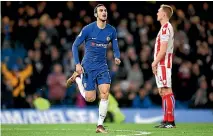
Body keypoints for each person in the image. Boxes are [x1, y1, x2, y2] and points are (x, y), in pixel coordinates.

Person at [66, 4, 121, 133]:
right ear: (96, 14)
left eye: (105, 10)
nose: (104, 12)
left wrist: (117, 56)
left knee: (105, 92)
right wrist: (77, 64)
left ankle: (100, 125)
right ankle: (78, 80)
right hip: (88, 67)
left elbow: (115, 46)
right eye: (101, 10)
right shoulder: (88, 29)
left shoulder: (111, 30)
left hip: (102, 66)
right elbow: (74, 46)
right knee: (90, 98)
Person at [152, 4, 176, 128]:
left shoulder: (166, 28)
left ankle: (170, 121)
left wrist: (154, 63)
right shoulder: (164, 28)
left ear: (164, 14)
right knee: (163, 91)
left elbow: (163, 49)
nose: (157, 13)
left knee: (167, 90)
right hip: (161, 64)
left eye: (158, 11)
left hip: (163, 64)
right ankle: (166, 120)